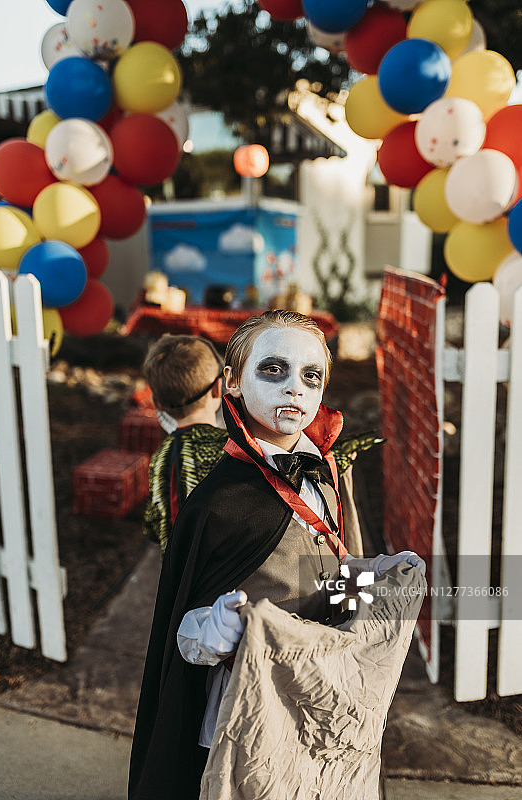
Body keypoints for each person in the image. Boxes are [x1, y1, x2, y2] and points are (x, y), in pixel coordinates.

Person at [128, 310, 425, 800]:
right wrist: (214, 628)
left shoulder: (325, 474)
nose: (295, 388)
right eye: (273, 369)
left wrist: (375, 580)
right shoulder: (215, 504)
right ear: (233, 382)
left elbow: (332, 577)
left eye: (311, 376)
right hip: (251, 707)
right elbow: (181, 630)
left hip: (323, 694)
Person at [141, 334, 228, 555]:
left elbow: (152, 527)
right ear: (218, 388)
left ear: (158, 404)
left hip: (176, 583)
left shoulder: (160, 455)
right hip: (225, 580)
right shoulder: (230, 449)